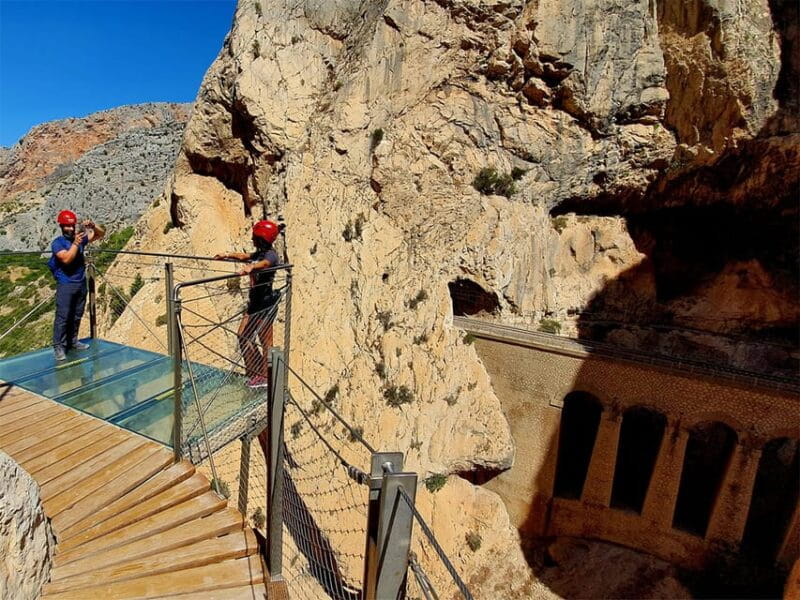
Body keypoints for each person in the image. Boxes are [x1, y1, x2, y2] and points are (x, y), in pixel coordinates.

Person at [214, 220, 281, 388]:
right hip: (255, 303)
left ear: (261, 238)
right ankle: (255, 371)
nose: (252, 238)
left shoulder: (270, 255)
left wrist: (252, 268)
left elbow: (265, 264)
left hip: (265, 304)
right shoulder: (259, 253)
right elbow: (244, 256)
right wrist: (227, 255)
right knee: (243, 335)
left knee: (266, 342)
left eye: (254, 236)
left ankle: (266, 377)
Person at [48, 210, 105, 361]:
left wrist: (94, 226)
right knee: (63, 316)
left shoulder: (78, 239)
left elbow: (100, 234)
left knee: (77, 314)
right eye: (67, 226)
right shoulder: (58, 243)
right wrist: (75, 244)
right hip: (66, 284)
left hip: (80, 282)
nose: (71, 229)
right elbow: (66, 259)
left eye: (72, 226)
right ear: (61, 226)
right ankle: (58, 346)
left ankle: (73, 341)